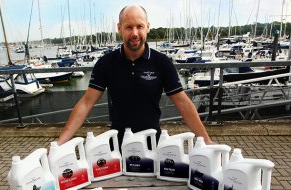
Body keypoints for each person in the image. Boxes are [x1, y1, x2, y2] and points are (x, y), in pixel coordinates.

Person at [57, 5, 213, 146]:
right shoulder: (106, 63)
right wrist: (59, 143)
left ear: (148, 27)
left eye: (140, 26)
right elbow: (86, 103)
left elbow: (184, 104)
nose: (135, 33)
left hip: (152, 143)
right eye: (128, 27)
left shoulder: (162, 62)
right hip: (117, 145)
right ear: (119, 29)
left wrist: (206, 140)